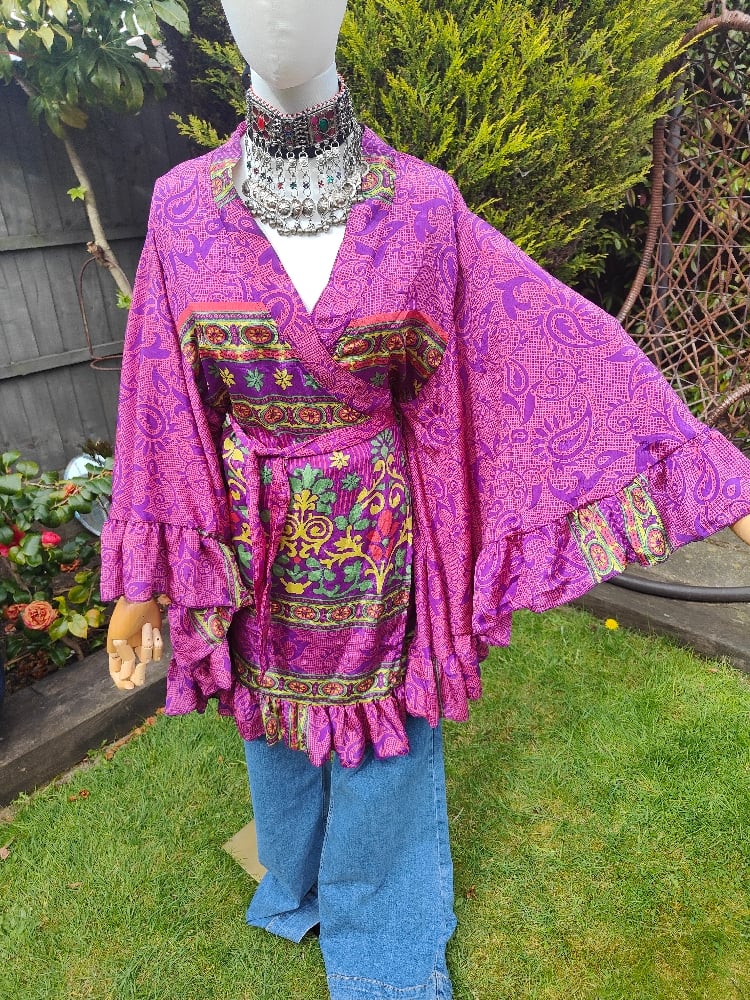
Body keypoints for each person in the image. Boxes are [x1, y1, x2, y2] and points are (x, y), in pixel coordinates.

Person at [102, 2, 750, 997]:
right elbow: (160, 392)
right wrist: (145, 578)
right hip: (250, 526)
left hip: (379, 528)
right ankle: (296, 873)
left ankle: (382, 923)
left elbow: (545, 336)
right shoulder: (182, 205)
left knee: (386, 736)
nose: (278, 14)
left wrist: (708, 473)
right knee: (270, 724)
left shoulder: (421, 204)